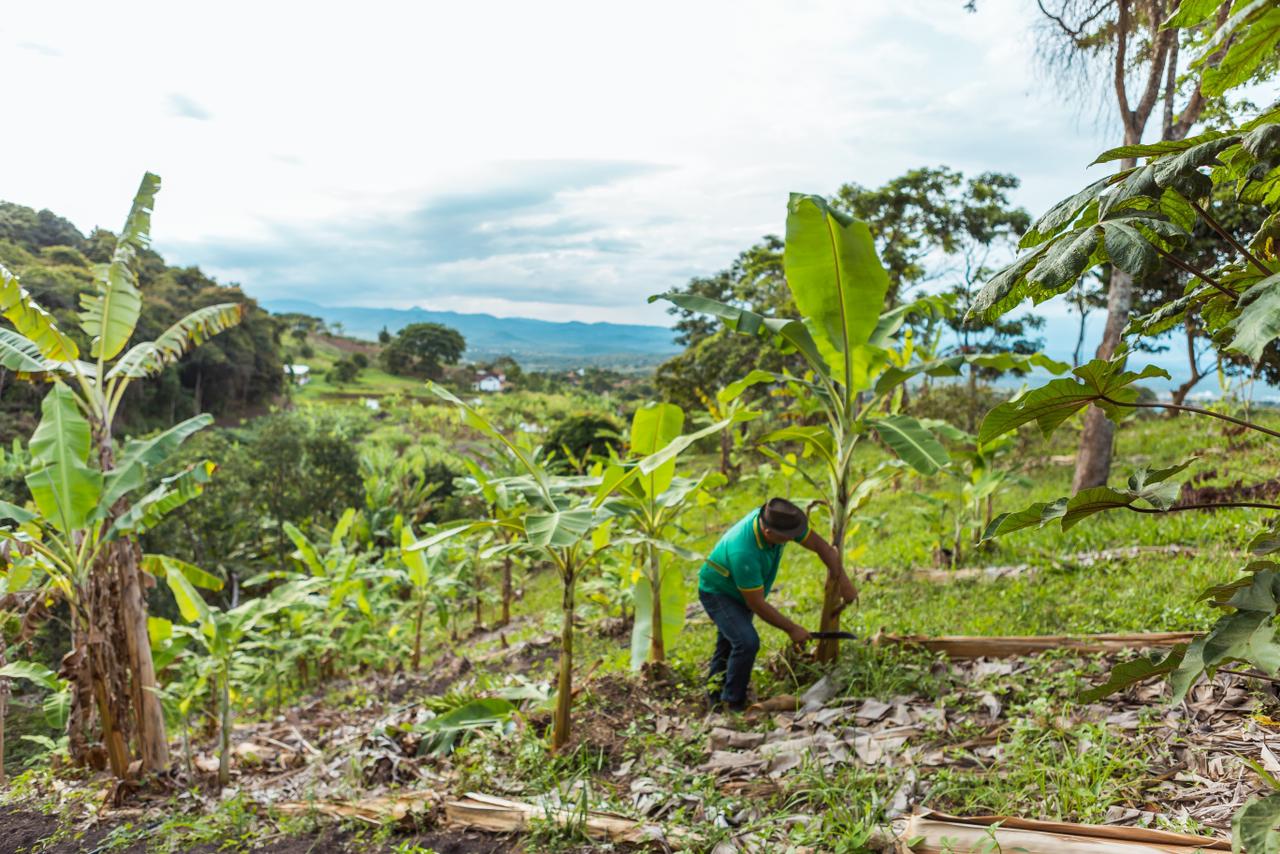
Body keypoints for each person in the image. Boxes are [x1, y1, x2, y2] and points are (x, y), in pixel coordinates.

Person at [698, 497, 857, 711]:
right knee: (746, 642)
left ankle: (715, 697)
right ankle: (733, 703)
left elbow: (822, 547)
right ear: (768, 533)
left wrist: (844, 582)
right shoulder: (743, 551)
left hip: (741, 588)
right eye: (788, 538)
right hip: (718, 592)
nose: (793, 539)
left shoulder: (780, 523)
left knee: (729, 642)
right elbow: (756, 603)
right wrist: (792, 629)